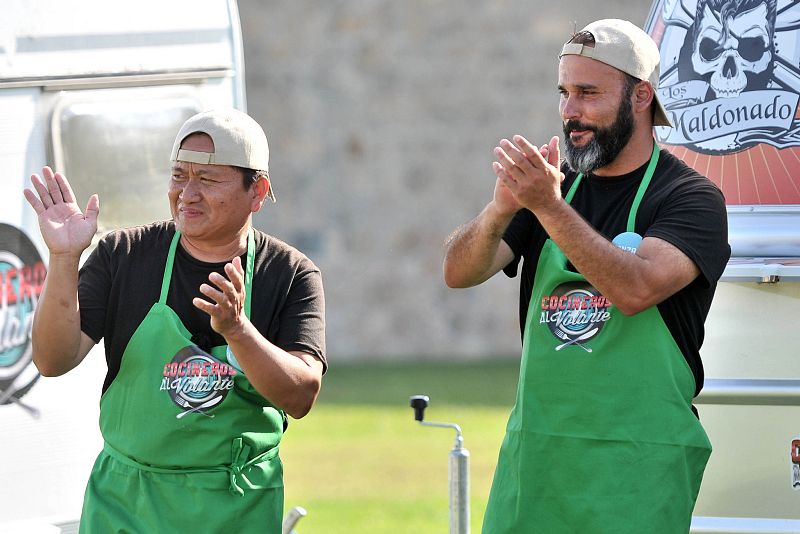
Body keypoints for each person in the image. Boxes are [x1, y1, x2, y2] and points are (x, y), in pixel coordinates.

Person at [443, 19, 730, 533]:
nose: (569, 111)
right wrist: (499, 210)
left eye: (588, 93)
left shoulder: (690, 199)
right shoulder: (552, 191)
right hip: (538, 459)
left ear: (640, 96)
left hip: (638, 466)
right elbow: (458, 273)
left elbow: (635, 289)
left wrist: (547, 207)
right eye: (564, 92)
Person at [24, 108, 326, 533]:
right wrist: (63, 257)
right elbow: (52, 360)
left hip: (236, 506)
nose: (188, 193)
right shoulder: (123, 255)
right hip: (126, 504)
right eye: (179, 176)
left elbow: (300, 396)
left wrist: (238, 331)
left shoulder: (290, 274)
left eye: (208, 179)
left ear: (257, 191)